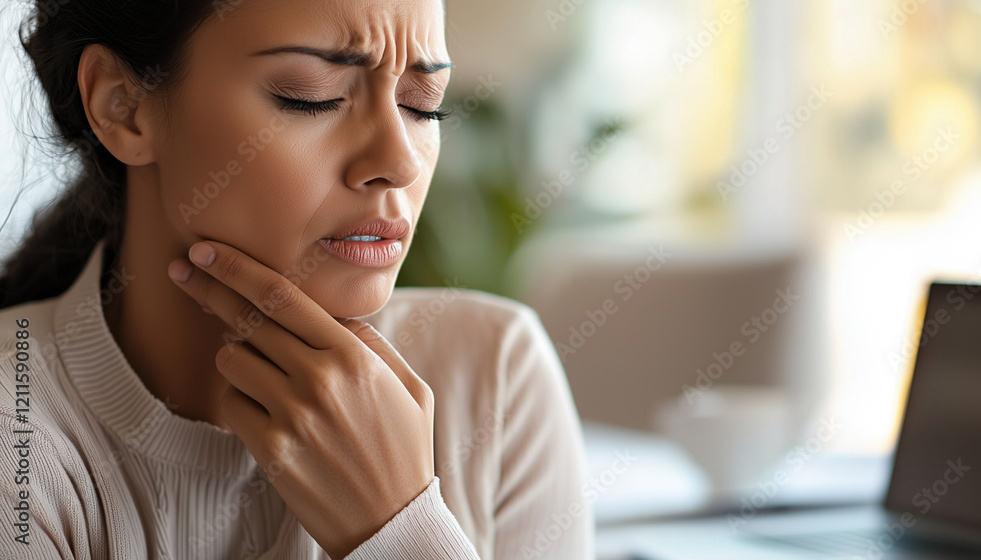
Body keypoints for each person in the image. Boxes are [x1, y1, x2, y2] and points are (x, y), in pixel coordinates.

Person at [0, 0, 594, 558]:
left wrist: (397, 524)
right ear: (122, 105)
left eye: (423, 105)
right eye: (312, 97)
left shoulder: (494, 376)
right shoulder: (18, 436)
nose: (400, 162)